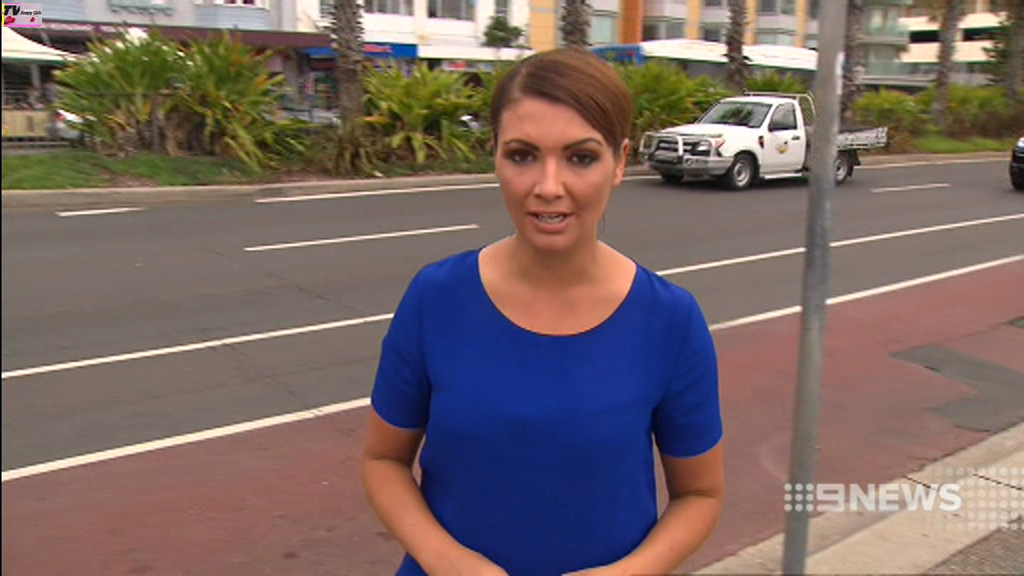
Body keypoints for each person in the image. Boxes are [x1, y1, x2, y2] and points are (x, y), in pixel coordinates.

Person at [363, 47, 725, 576]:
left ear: (620, 162)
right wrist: (447, 560)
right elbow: (383, 460)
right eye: (522, 155)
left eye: (581, 158)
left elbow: (700, 495)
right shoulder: (435, 298)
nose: (549, 187)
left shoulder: (670, 321)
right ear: (495, 155)